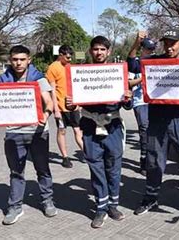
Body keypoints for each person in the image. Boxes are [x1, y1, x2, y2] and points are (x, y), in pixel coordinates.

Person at [0, 45, 56, 225]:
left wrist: (44, 116)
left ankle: (47, 201)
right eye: (15, 59)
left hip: (38, 133)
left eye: (22, 59)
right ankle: (14, 207)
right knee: (16, 172)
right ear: (10, 60)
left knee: (43, 169)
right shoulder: (3, 80)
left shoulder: (39, 79)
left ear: (29, 60)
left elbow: (49, 104)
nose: (18, 62)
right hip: (14, 134)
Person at [130, 28, 179, 220]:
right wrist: (137, 43)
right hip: (157, 118)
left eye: (173, 43)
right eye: (166, 43)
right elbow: (132, 63)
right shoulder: (154, 62)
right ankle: (151, 197)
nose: (169, 47)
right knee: (154, 159)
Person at [66, 36, 133, 228]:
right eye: (95, 49)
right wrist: (69, 105)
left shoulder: (117, 73)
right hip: (89, 126)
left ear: (109, 51)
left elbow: (126, 105)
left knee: (114, 168)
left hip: (112, 127)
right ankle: (100, 207)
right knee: (96, 168)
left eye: (103, 49)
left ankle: (113, 205)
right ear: (90, 51)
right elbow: (71, 105)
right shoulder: (81, 75)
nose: (99, 53)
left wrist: (127, 97)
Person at [46, 45, 84, 168]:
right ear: (60, 55)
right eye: (67, 57)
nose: (69, 59)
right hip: (60, 108)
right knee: (62, 131)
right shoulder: (53, 68)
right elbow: (52, 90)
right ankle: (65, 157)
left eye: (70, 57)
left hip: (73, 106)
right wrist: (56, 109)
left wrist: (79, 103)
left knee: (78, 130)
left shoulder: (70, 67)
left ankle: (87, 153)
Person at [127, 31, 156, 175]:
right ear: (142, 48)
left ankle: (153, 160)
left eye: (151, 49)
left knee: (154, 131)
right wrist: (137, 41)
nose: (149, 51)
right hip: (140, 101)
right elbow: (129, 83)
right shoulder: (135, 63)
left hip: (155, 101)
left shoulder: (156, 61)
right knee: (144, 129)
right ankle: (144, 161)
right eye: (146, 48)